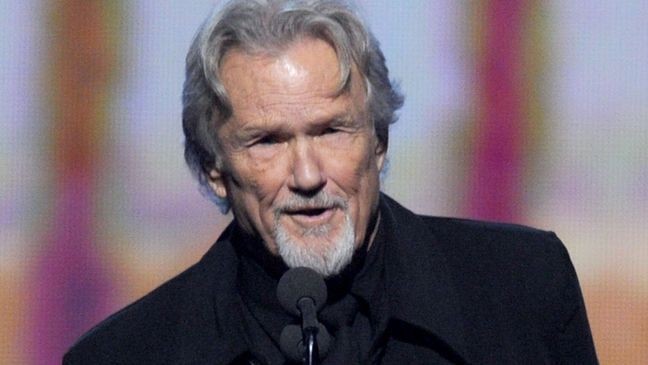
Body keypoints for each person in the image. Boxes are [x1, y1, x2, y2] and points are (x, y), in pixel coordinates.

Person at [64, 0, 598, 363]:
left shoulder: (523, 288)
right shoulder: (127, 354)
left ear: (379, 140)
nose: (308, 175)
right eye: (267, 141)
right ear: (213, 169)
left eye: (331, 131)